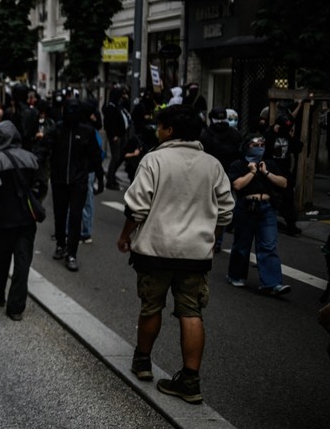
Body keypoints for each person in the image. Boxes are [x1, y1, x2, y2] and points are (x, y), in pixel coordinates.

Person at [118, 104, 234, 405]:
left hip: (155, 250)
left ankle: (143, 362)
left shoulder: (154, 160)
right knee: (191, 312)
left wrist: (125, 234)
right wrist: (212, 237)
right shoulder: (213, 165)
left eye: (160, 126)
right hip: (196, 254)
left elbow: (137, 206)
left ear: (169, 130)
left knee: (151, 306)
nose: (157, 131)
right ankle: (190, 380)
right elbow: (226, 210)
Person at [0, 122, 41, 321]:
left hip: (2, 219)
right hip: (26, 219)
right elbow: (39, 187)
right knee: (22, 264)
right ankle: (16, 307)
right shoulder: (31, 158)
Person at [225, 134, 292, 295]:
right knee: (242, 245)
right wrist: (252, 172)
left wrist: (266, 172)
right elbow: (237, 185)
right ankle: (236, 275)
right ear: (247, 146)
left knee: (268, 245)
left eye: (262, 143)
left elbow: (283, 183)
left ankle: (272, 283)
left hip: (266, 208)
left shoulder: (268, 164)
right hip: (246, 207)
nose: (260, 146)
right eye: (255, 144)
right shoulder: (238, 165)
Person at [48, 99, 103, 272]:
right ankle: (60, 244)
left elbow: (95, 156)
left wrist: (99, 178)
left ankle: (72, 253)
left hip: (78, 181)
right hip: (59, 180)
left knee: (75, 217)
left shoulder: (86, 131)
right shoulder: (57, 129)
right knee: (60, 214)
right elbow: (46, 149)